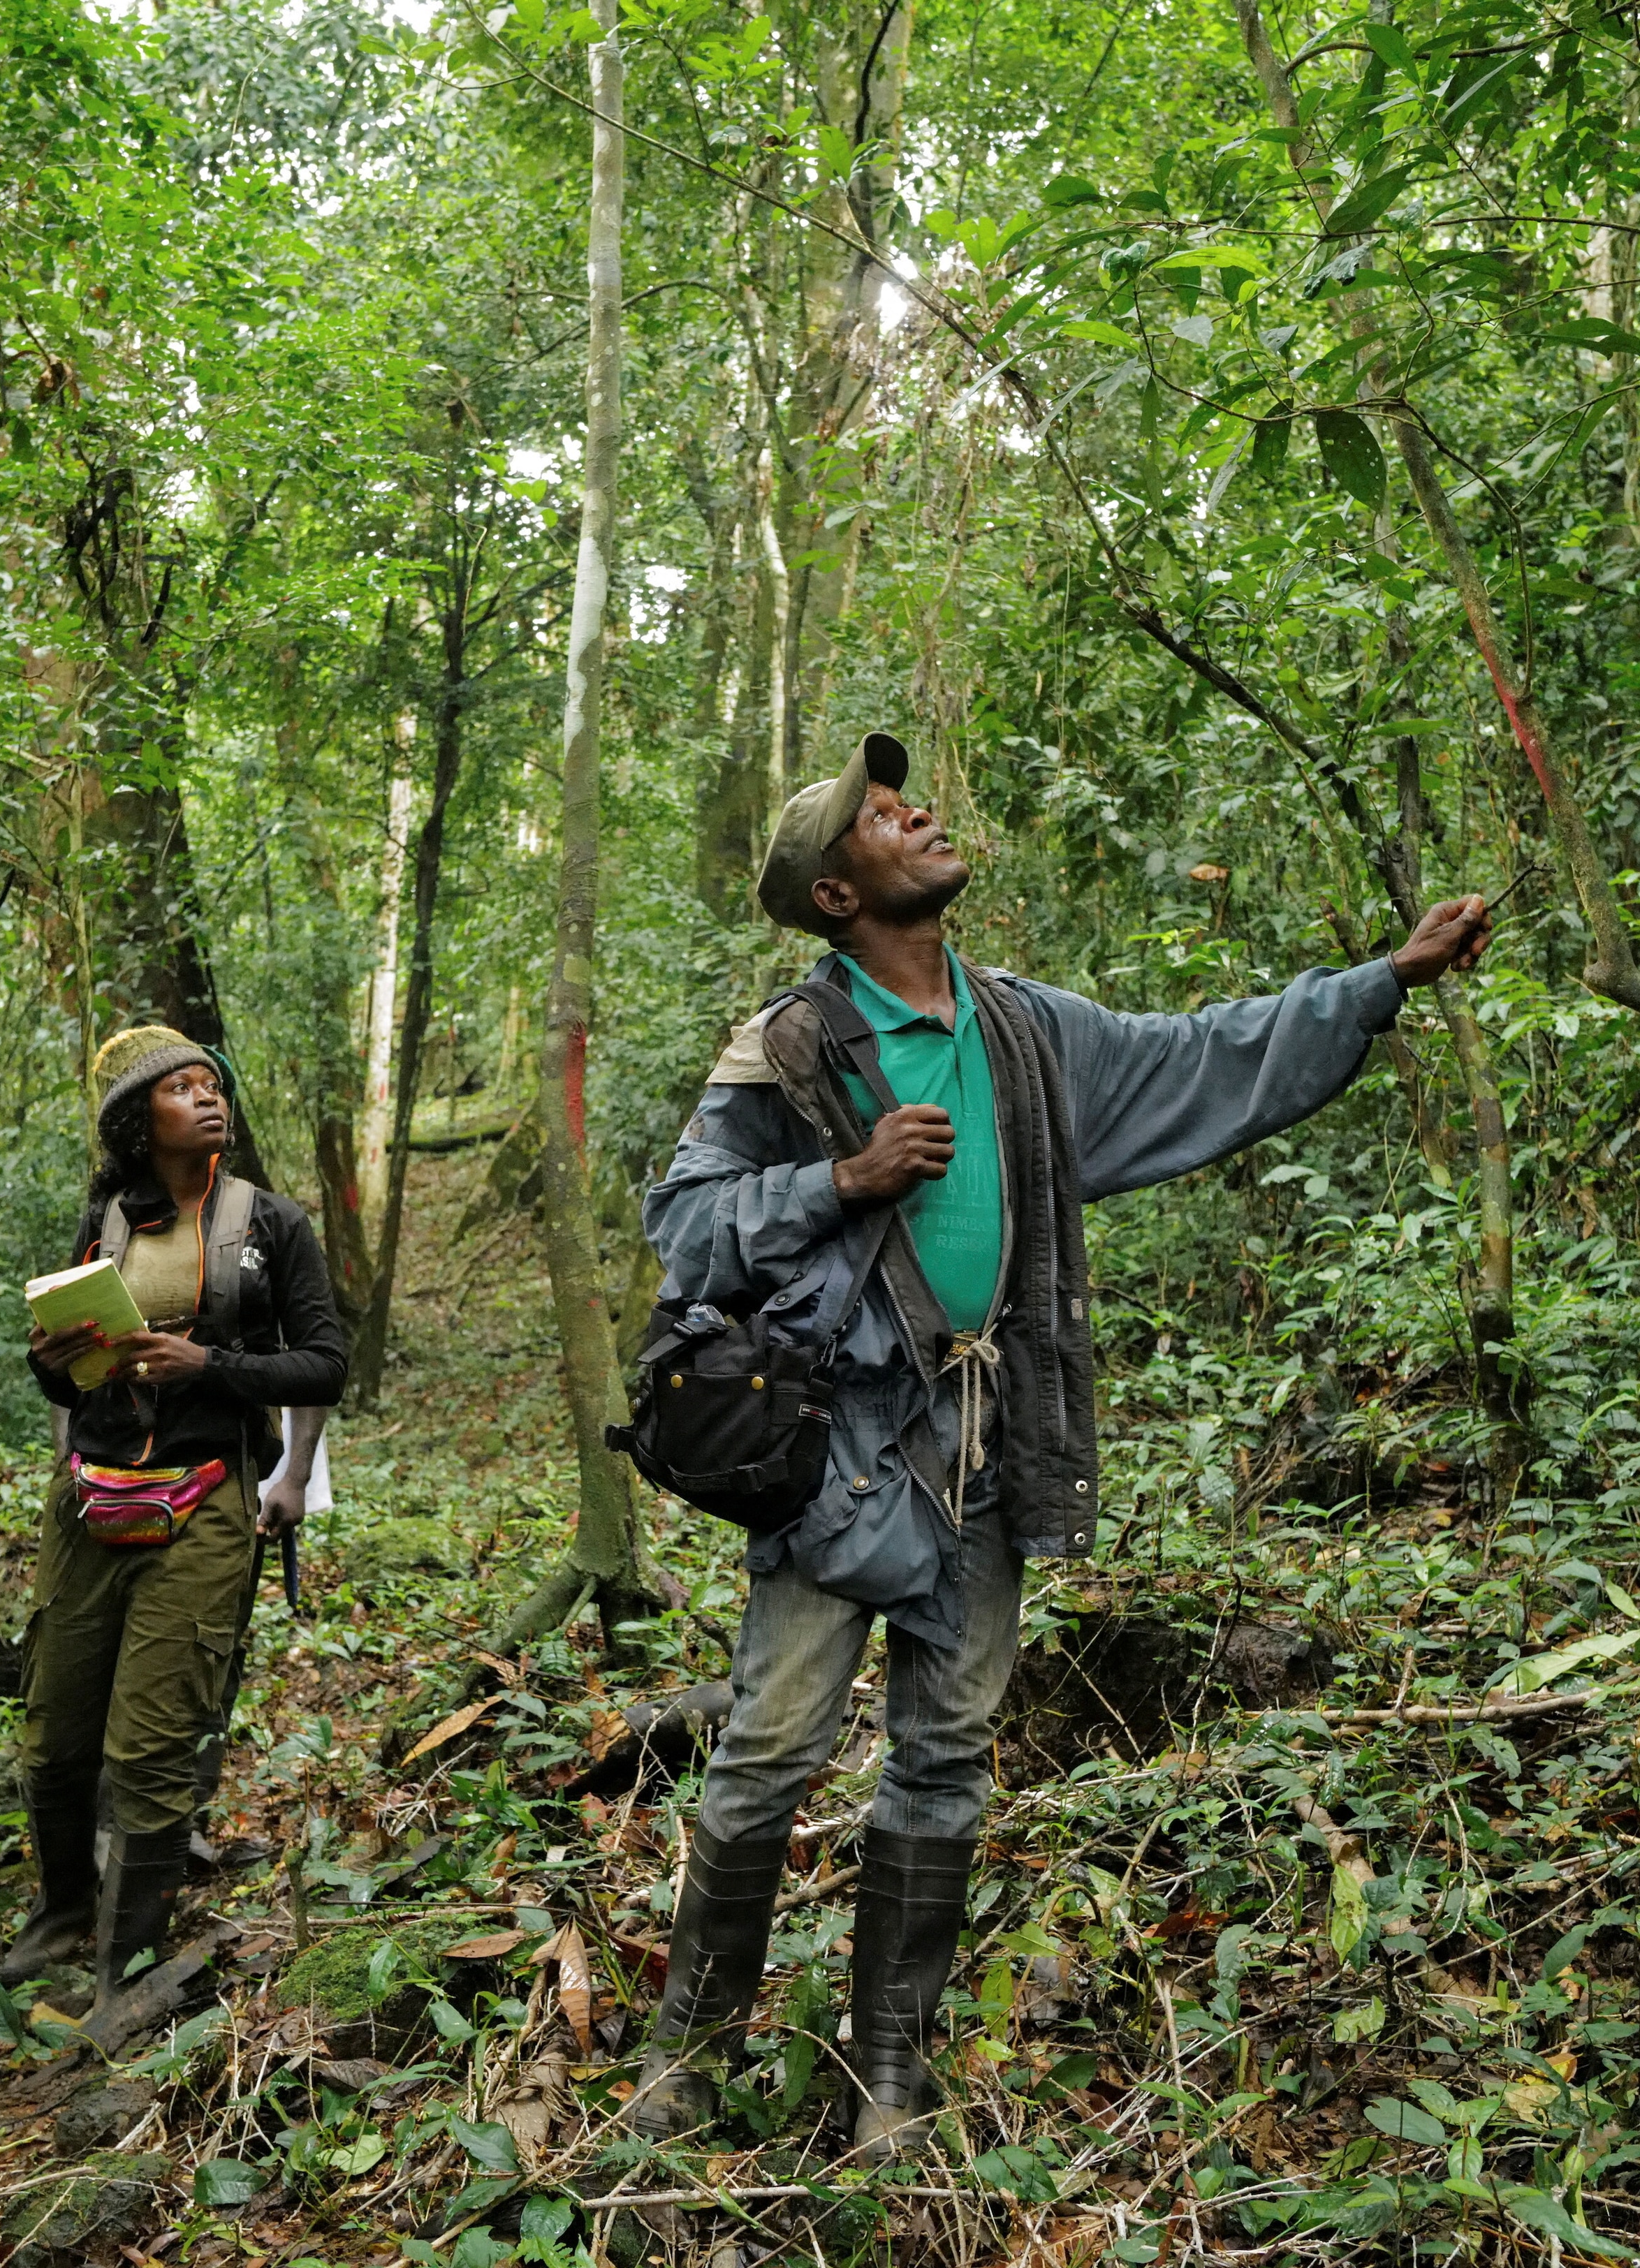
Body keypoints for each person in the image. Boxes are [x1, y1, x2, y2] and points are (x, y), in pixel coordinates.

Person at [630, 733, 1495, 2159]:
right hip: (841, 1450)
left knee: (947, 1752)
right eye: (878, 816)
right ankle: (687, 2055)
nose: (916, 815)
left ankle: (889, 2077)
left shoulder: (1024, 1027)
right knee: (772, 1746)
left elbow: (1200, 1058)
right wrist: (841, 1179)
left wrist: (1378, 986)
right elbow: (682, 1230)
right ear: (835, 896)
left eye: (905, 800)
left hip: (992, 1437)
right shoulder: (787, 1047)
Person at [0, 1026, 349, 1990]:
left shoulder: (271, 1225)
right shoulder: (105, 1221)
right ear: (136, 1120)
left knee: (151, 1745)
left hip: (206, 1500)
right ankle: (63, 1915)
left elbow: (327, 1363)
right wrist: (54, 1360)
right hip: (90, 1501)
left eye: (214, 1086)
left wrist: (214, 1366)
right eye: (183, 1088)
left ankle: (130, 1962)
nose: (209, 1099)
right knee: (54, 1735)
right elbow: (65, 1392)